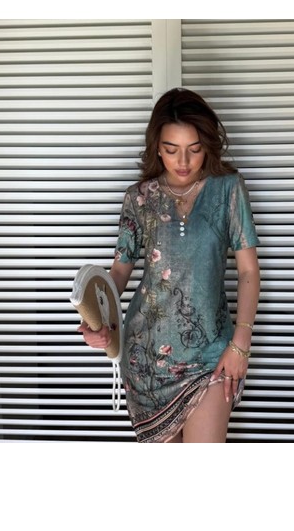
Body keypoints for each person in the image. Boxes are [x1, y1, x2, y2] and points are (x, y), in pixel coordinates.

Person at [78, 88, 260, 443]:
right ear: (157, 147)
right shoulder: (138, 198)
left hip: (212, 353)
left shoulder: (228, 189)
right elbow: (119, 272)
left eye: (194, 149)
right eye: (171, 149)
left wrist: (241, 342)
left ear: (207, 145)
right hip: (146, 359)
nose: (183, 161)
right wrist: (96, 319)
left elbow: (248, 271)